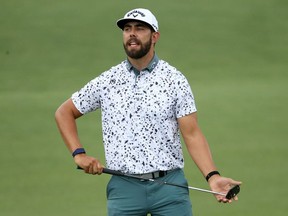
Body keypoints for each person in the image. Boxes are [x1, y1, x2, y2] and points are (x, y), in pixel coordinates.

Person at [55, 8, 242, 216]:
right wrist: (79, 155)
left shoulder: (174, 80)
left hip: (170, 187)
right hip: (124, 188)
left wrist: (212, 176)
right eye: (127, 29)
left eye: (140, 28)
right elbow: (64, 112)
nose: (132, 33)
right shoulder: (108, 81)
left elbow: (192, 134)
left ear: (155, 36)